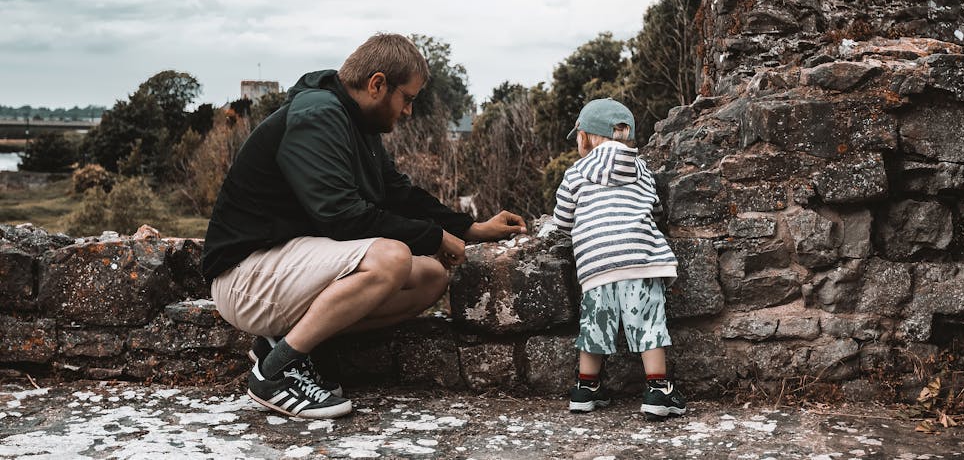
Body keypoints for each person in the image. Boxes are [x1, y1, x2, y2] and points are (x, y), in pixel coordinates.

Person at [201, 33, 526, 419]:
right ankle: (275, 372)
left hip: (283, 269)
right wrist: (433, 236)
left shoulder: (357, 125)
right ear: (377, 84)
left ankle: (280, 346)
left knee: (431, 276)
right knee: (391, 258)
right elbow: (342, 216)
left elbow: (396, 193)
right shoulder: (318, 116)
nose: (407, 111)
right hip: (244, 277)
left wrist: (471, 228)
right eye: (407, 98)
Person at [551, 98, 685, 419]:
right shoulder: (642, 171)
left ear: (584, 137)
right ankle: (658, 391)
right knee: (648, 324)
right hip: (640, 258)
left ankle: (586, 389)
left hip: (596, 265)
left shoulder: (576, 173)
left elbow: (562, 220)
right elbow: (654, 209)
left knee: (595, 325)